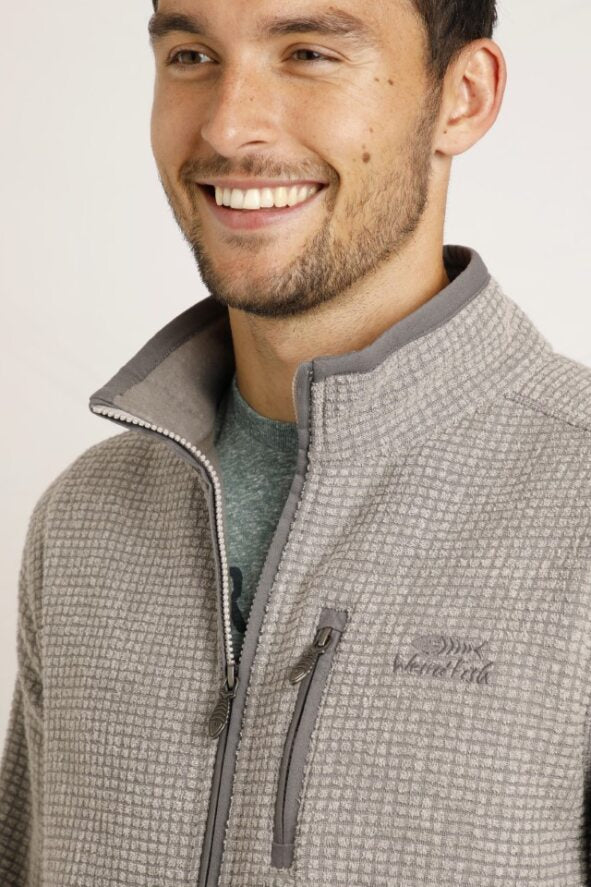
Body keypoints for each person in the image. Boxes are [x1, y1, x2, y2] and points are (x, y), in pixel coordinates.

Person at [1, 0, 590, 884]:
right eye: (191, 55)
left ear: (462, 96)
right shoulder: (84, 519)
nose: (228, 125)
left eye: (308, 53)